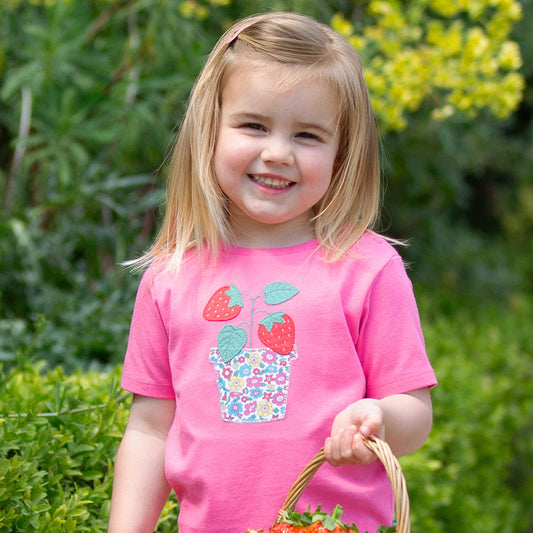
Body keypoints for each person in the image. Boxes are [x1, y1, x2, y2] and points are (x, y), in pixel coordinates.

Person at [108, 11, 437, 533]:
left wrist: (380, 418)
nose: (277, 153)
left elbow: (415, 413)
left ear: (341, 152)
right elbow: (150, 430)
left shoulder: (368, 268)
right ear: (209, 130)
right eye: (253, 125)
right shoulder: (171, 276)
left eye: (308, 135)